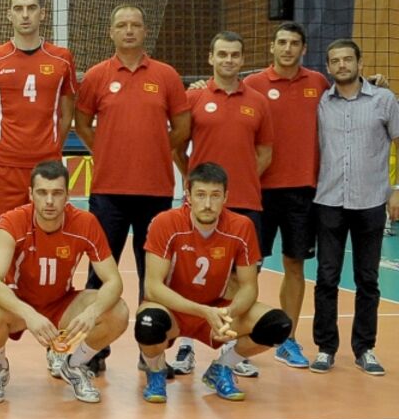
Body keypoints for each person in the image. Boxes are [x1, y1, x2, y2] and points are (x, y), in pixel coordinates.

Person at [134, 163, 293, 403]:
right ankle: (156, 371)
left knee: (278, 325)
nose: (207, 204)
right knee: (148, 322)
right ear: (188, 196)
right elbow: (153, 287)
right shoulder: (165, 223)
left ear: (226, 197)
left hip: (217, 308)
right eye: (200, 195)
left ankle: (222, 367)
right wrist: (203, 311)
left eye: (215, 196)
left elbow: (249, 287)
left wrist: (229, 313)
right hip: (173, 310)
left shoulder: (241, 227)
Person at [0, 161, 128, 404]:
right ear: (31, 194)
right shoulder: (13, 221)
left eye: (57, 193)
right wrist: (28, 313)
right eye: (42, 192)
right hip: (19, 303)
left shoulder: (85, 223)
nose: (49, 201)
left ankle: (75, 365)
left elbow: (114, 281)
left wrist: (92, 312)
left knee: (118, 311)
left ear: (68, 196)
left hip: (61, 303)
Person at [171, 31, 273, 378]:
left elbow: (265, 152)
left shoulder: (258, 102)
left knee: (242, 280)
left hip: (246, 203)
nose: (229, 60)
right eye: (222, 54)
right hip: (200, 206)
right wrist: (196, 183)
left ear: (243, 60)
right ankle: (186, 345)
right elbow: (176, 145)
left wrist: (238, 182)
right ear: (211, 58)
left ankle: (231, 347)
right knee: (189, 276)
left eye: (235, 55)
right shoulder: (194, 97)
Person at [75, 4, 190, 308]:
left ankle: (148, 338)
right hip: (107, 192)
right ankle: (93, 338)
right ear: (111, 32)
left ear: (145, 31)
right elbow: (81, 124)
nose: (129, 31)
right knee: (99, 275)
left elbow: (183, 126)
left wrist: (156, 148)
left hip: (155, 191)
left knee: (153, 277)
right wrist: (105, 149)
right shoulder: (97, 75)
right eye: (122, 25)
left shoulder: (166, 75)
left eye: (135, 25)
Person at [241, 22, 328, 369]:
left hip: (303, 192)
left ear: (304, 48)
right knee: (249, 269)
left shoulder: (318, 83)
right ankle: (242, 341)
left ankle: (287, 340)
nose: (287, 48)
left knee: (295, 264)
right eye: (282, 42)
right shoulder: (253, 84)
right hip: (258, 191)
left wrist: (374, 83)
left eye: (294, 43)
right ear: (272, 47)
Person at [310, 39, 399, 376]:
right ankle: (325, 348)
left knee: (368, 279)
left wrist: (397, 190)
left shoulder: (384, 100)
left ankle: (365, 348)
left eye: (348, 59)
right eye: (335, 61)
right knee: (326, 277)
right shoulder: (321, 102)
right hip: (329, 201)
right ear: (328, 67)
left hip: (371, 201)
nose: (342, 65)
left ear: (360, 63)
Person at [0, 0, 77, 249]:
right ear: (9, 14)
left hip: (47, 167)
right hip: (4, 167)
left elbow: (67, 115)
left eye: (31, 8)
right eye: (18, 9)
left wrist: (51, 148)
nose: (25, 15)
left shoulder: (62, 59)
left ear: (42, 13)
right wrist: (0, 150)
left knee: (46, 247)